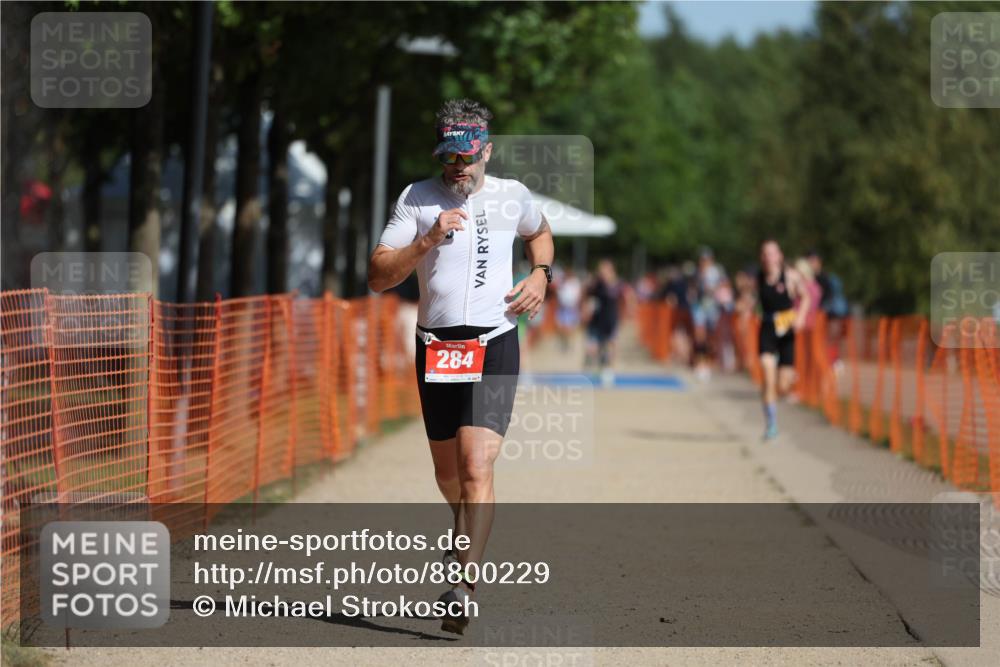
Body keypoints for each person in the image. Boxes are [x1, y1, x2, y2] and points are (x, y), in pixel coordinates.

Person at [368, 98, 555, 634]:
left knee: (477, 466)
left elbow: (539, 234)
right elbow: (378, 275)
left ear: (487, 152)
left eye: (469, 157)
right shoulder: (416, 199)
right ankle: (462, 525)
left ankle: (464, 585)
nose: (459, 167)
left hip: (495, 342)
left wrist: (541, 274)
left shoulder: (512, 195)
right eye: (450, 158)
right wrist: (426, 240)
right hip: (437, 346)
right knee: (447, 474)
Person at [756, 240, 811, 440]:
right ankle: (771, 425)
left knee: (783, 385)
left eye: (772, 253)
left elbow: (806, 297)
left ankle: (780, 385)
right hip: (767, 329)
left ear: (779, 256)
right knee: (767, 376)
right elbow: (750, 297)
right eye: (765, 254)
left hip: (786, 330)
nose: (768, 258)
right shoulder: (759, 277)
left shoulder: (790, 277)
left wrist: (801, 317)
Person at [583, 259, 624, 387]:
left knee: (610, 347)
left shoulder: (617, 285)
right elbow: (587, 295)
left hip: (611, 321)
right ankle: (598, 368)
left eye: (605, 270)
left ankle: (608, 372)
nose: (602, 273)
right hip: (597, 321)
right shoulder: (596, 284)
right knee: (595, 348)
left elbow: (626, 297)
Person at [555, 267, 583, 352]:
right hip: (563, 308)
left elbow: (578, 295)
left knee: (570, 328)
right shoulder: (562, 282)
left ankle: (570, 345)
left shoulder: (575, 283)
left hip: (571, 308)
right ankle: (565, 343)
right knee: (562, 327)